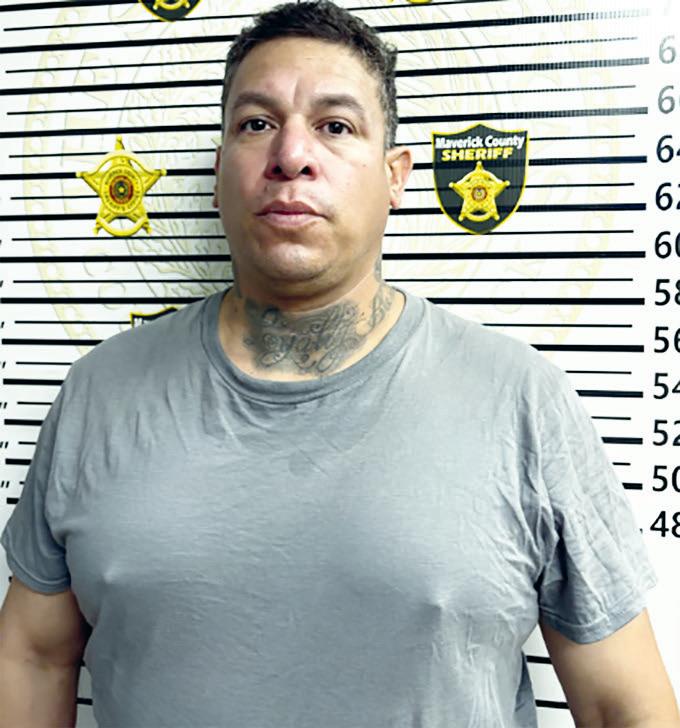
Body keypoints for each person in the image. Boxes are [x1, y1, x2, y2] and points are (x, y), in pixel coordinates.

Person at [0, 1, 678, 726]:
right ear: (219, 173)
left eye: (335, 126)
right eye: (256, 124)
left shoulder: (521, 401)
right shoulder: (99, 394)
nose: (291, 154)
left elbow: (623, 706)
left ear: (396, 177)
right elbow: (34, 656)